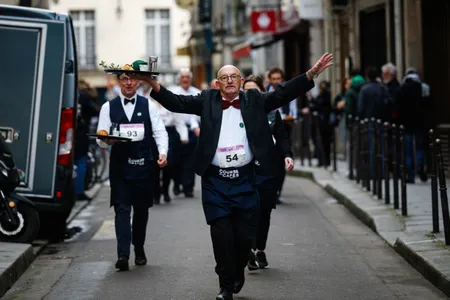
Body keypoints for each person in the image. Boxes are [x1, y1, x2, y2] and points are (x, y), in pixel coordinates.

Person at [133, 53, 333, 300]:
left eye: (233, 77)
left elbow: (282, 93)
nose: (229, 81)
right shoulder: (207, 100)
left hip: (245, 180)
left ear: (240, 81)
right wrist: (152, 84)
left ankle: (238, 271)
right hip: (215, 181)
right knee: (221, 237)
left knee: (242, 238)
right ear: (217, 84)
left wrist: (310, 74)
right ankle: (225, 286)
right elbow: (177, 103)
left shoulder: (254, 100)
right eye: (224, 78)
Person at [96, 62, 169, 271]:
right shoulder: (107, 107)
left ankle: (139, 247)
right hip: (120, 167)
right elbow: (101, 136)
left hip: (144, 166)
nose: (128, 82)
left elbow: (159, 132)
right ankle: (123, 254)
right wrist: (106, 141)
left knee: (141, 211)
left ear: (138, 82)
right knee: (121, 208)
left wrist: (163, 153)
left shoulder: (149, 106)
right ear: (118, 82)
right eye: (124, 79)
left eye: (132, 78)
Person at [242, 75, 294, 271]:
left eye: (254, 90)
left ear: (262, 92)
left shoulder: (272, 114)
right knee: (247, 211)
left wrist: (287, 155)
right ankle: (248, 248)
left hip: (268, 169)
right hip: (246, 170)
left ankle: (260, 249)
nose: (250, 94)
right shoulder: (237, 113)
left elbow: (282, 138)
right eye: (246, 91)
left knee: (264, 212)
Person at [167, 68, 201, 198]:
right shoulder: (173, 92)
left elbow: (199, 113)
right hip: (174, 129)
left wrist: (196, 126)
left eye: (187, 77)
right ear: (179, 79)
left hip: (193, 130)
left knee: (190, 160)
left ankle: (188, 187)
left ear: (191, 79)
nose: (185, 79)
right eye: (183, 77)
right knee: (175, 160)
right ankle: (177, 183)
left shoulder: (197, 93)